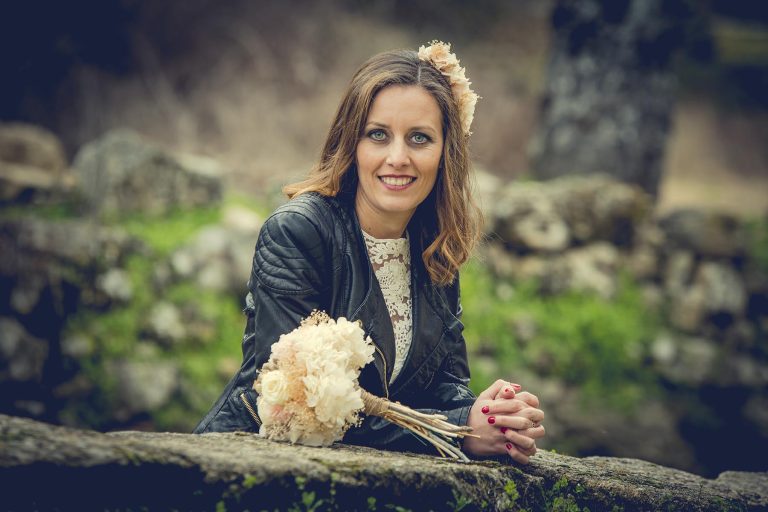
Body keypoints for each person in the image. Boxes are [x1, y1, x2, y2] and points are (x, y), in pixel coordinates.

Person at [194, 41, 545, 463]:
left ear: (444, 153)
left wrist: (492, 415)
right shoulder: (298, 233)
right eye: (378, 135)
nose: (398, 158)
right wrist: (457, 433)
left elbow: (444, 382)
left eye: (419, 138)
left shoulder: (435, 246)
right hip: (247, 465)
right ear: (352, 144)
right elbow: (299, 403)